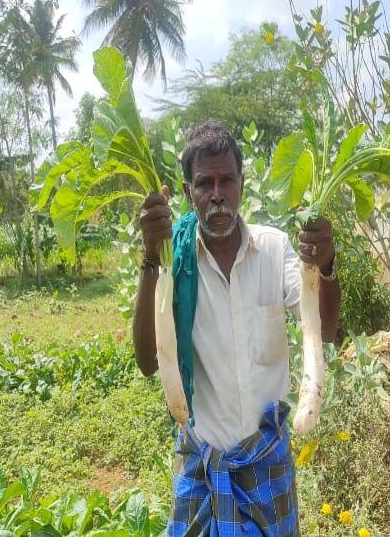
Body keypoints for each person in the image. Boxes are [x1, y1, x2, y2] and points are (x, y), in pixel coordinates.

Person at [132, 120, 340, 536]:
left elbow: (328, 330)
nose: (217, 195)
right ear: (189, 192)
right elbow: (146, 361)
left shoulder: (275, 249)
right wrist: (151, 258)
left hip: (267, 461)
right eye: (204, 183)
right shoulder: (176, 262)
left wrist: (326, 265)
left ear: (242, 184)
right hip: (203, 465)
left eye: (227, 181)